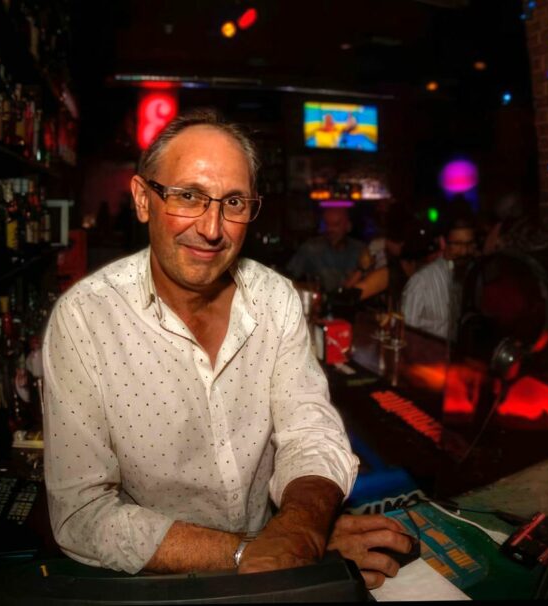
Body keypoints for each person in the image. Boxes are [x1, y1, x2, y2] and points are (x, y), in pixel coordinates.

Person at [41, 109, 414, 588]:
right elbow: (83, 514)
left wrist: (302, 529)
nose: (212, 227)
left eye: (233, 202)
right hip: (159, 584)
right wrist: (251, 552)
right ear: (142, 199)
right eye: (188, 196)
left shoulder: (275, 298)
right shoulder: (85, 319)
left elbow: (310, 431)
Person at [402, 215, 479, 340]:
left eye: (469, 244)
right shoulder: (421, 282)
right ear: (443, 242)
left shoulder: (476, 276)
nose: (464, 251)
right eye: (457, 244)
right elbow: (405, 335)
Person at [285, 207, 365, 293]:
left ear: (348, 226)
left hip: (351, 300)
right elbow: (287, 280)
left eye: (336, 224)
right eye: (327, 224)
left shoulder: (360, 250)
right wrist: (307, 287)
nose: (330, 229)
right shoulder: (311, 248)